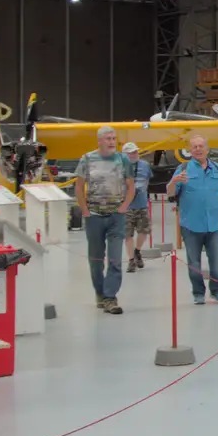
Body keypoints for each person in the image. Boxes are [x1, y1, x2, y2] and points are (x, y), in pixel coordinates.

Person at [74, 125, 135, 314]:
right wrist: (85, 210)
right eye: (108, 139)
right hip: (94, 216)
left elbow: (131, 186)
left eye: (113, 138)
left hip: (116, 216)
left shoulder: (123, 159)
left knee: (115, 259)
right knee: (96, 259)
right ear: (99, 141)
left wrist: (124, 206)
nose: (111, 142)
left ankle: (110, 297)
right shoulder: (87, 159)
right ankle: (100, 293)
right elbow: (79, 187)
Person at [168, 134, 218, 305]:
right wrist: (173, 182)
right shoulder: (183, 169)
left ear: (207, 149)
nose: (198, 149)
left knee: (217, 261)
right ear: (189, 150)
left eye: (200, 146)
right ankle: (198, 293)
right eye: (194, 147)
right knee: (194, 263)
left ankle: (216, 291)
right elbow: (170, 193)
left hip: (214, 224)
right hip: (191, 225)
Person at [122, 142, 152, 272]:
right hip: (126, 205)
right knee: (127, 233)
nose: (134, 154)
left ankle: (137, 251)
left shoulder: (145, 165)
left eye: (135, 152)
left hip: (141, 204)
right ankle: (130, 260)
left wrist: (141, 189)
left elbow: (147, 179)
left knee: (144, 230)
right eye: (131, 152)